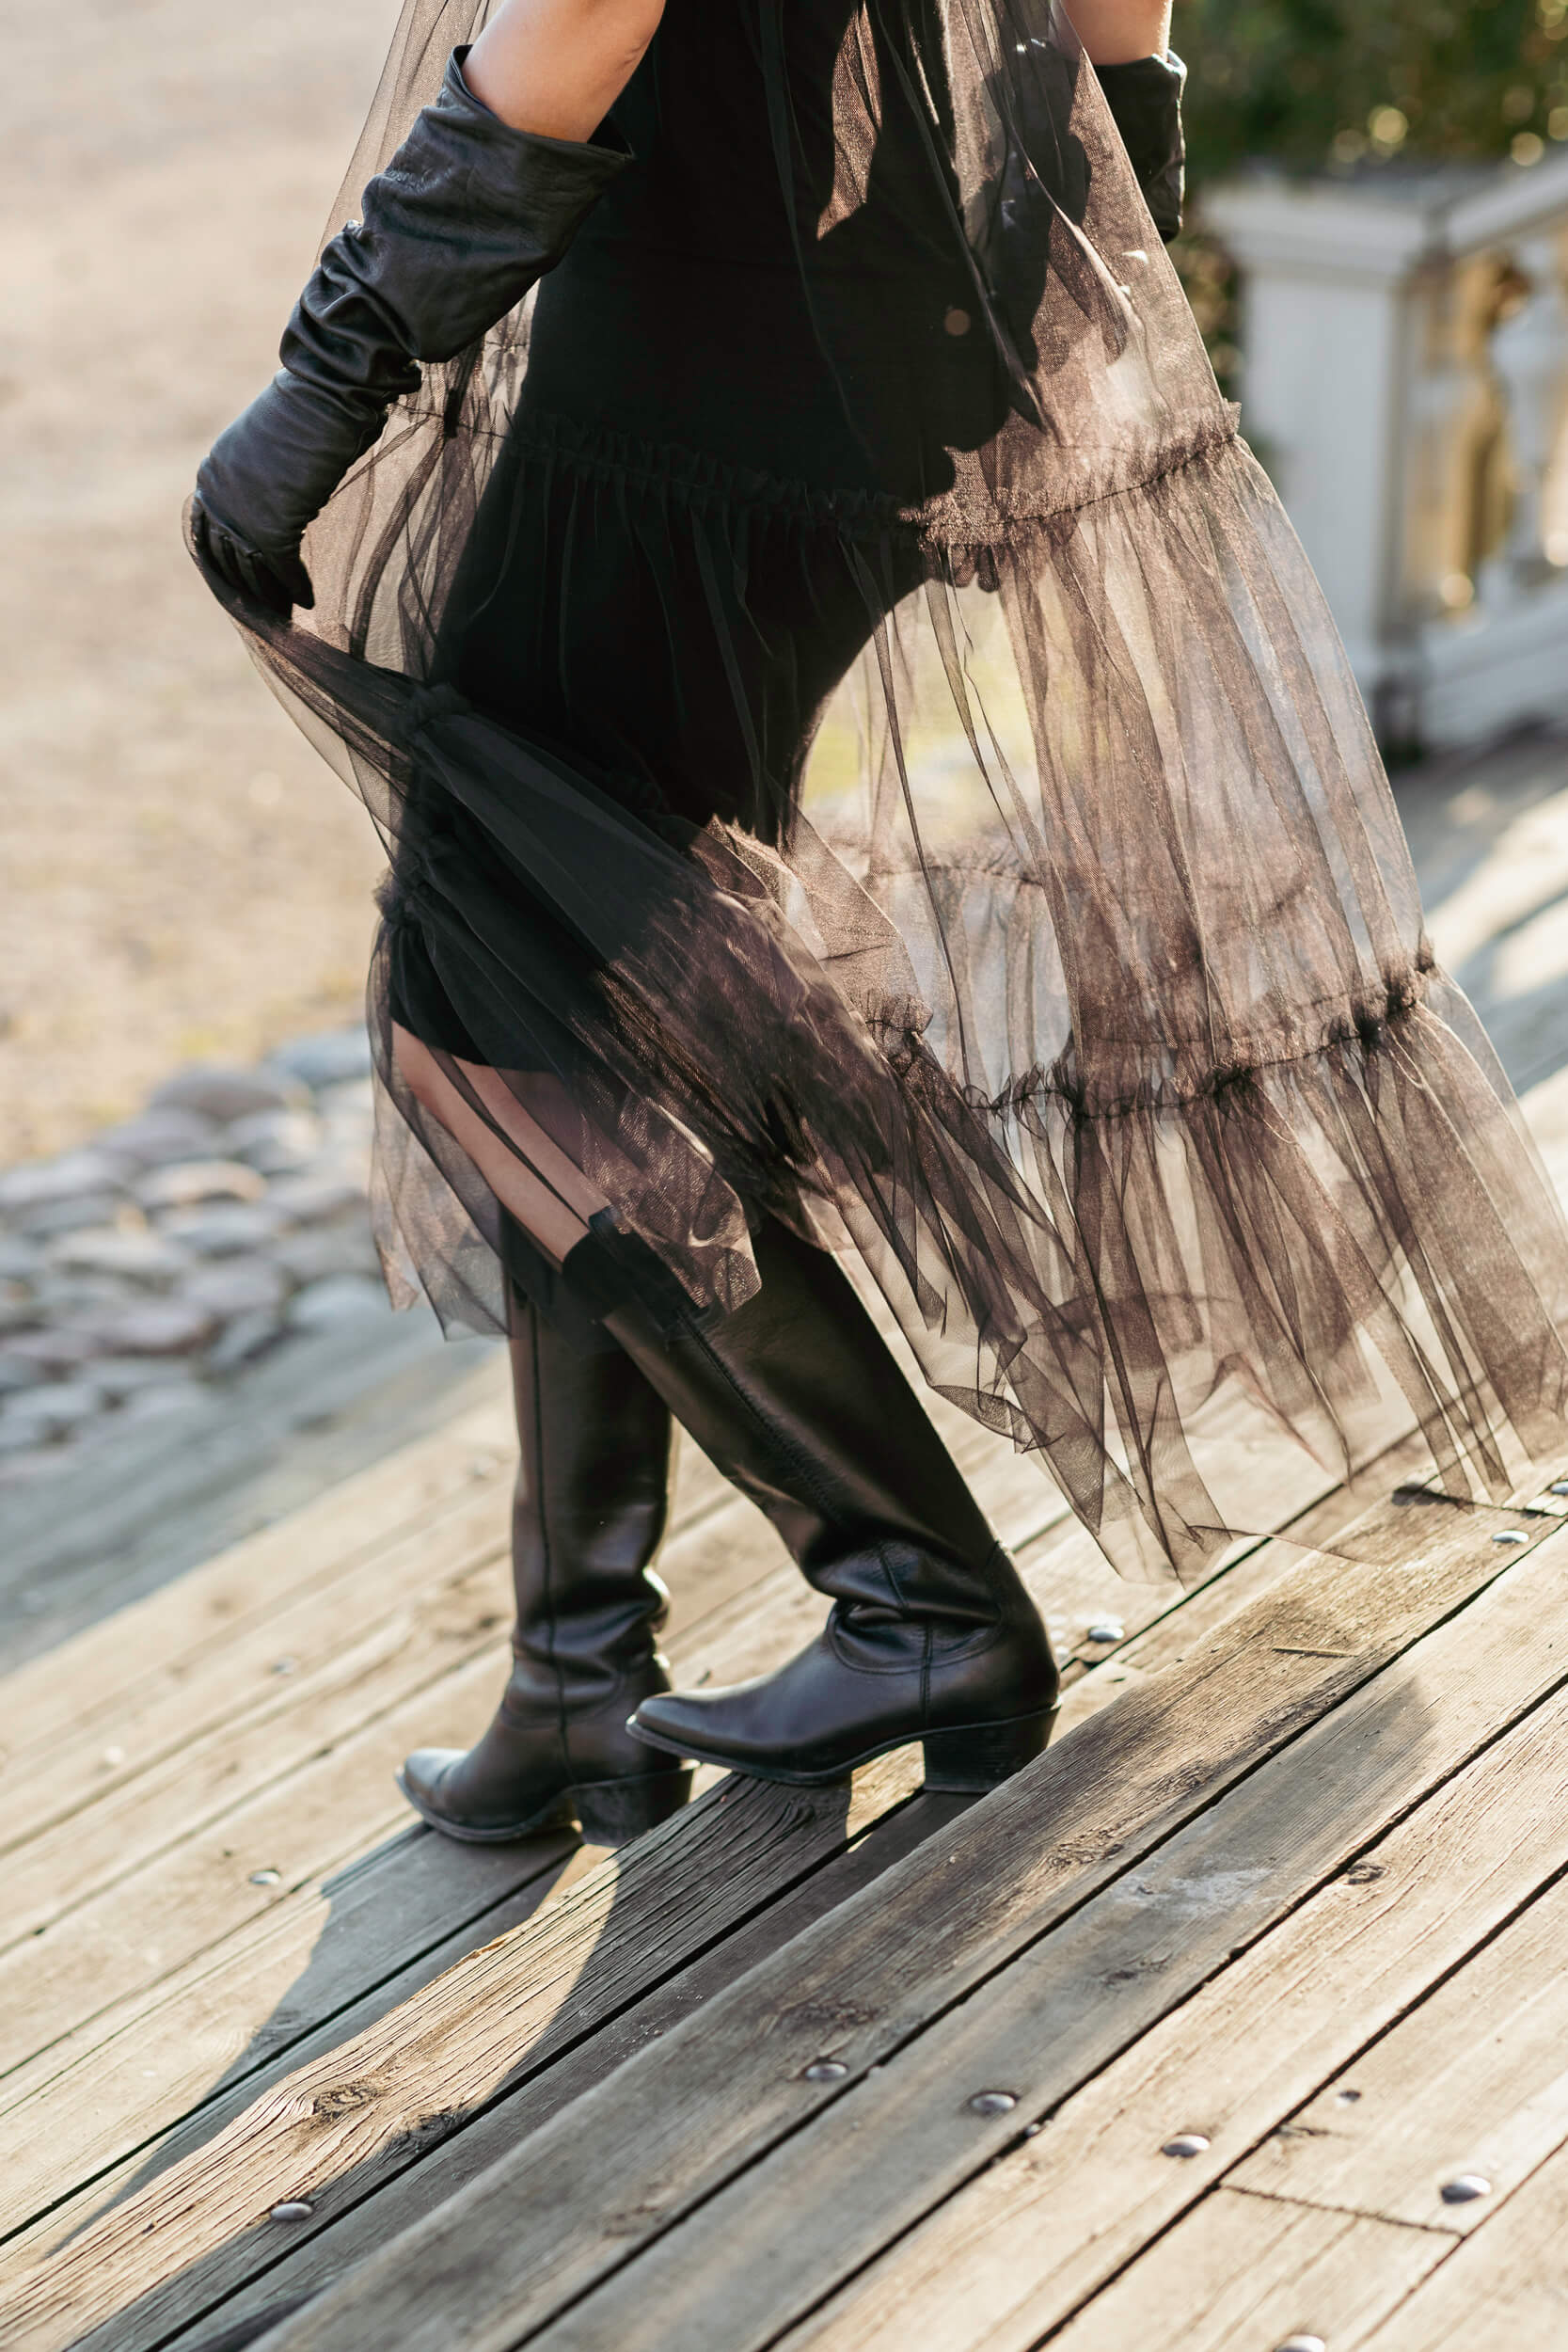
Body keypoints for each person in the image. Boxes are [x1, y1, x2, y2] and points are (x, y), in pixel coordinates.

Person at [191, 0, 1568, 1847]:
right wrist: (1091, 224)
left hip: (694, 366)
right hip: (900, 324)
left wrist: (336, 357)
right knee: (586, 993)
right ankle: (574, 1675)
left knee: (488, 1023)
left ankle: (913, 1601)